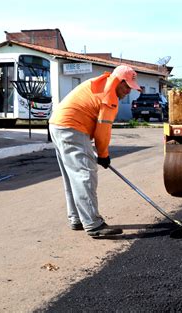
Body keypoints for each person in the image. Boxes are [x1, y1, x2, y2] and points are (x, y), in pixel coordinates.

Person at [49, 65, 141, 238]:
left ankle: (77, 218)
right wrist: (104, 155)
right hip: (72, 126)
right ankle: (93, 224)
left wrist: (101, 153)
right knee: (85, 175)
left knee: (73, 176)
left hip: (59, 124)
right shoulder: (109, 96)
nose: (129, 91)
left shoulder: (102, 83)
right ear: (119, 81)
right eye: (127, 86)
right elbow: (103, 132)